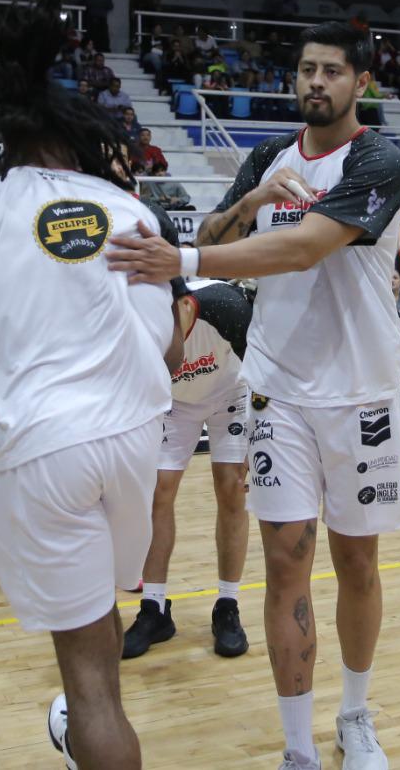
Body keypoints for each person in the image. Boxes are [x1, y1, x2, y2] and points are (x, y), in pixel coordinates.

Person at [106, 21, 400, 770]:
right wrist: (249, 203)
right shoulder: (268, 156)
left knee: (359, 566)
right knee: (284, 564)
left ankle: (355, 715)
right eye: (306, 69)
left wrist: (183, 256)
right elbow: (217, 224)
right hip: (276, 390)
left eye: (332, 71)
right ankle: (299, 747)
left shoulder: (379, 159)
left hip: (362, 392)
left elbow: (305, 247)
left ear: (359, 83)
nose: (315, 82)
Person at [0, 0, 185, 770]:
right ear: (78, 142)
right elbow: (169, 337)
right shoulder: (133, 208)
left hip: (46, 445)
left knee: (90, 682)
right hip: (134, 439)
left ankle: (83, 730)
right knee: (98, 654)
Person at [123, 279, 253, 661]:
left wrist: (261, 435)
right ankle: (154, 608)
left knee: (232, 487)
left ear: (183, 307)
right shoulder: (133, 319)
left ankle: (227, 605)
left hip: (232, 391)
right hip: (175, 404)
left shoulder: (227, 307)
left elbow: (266, 369)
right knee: (157, 491)